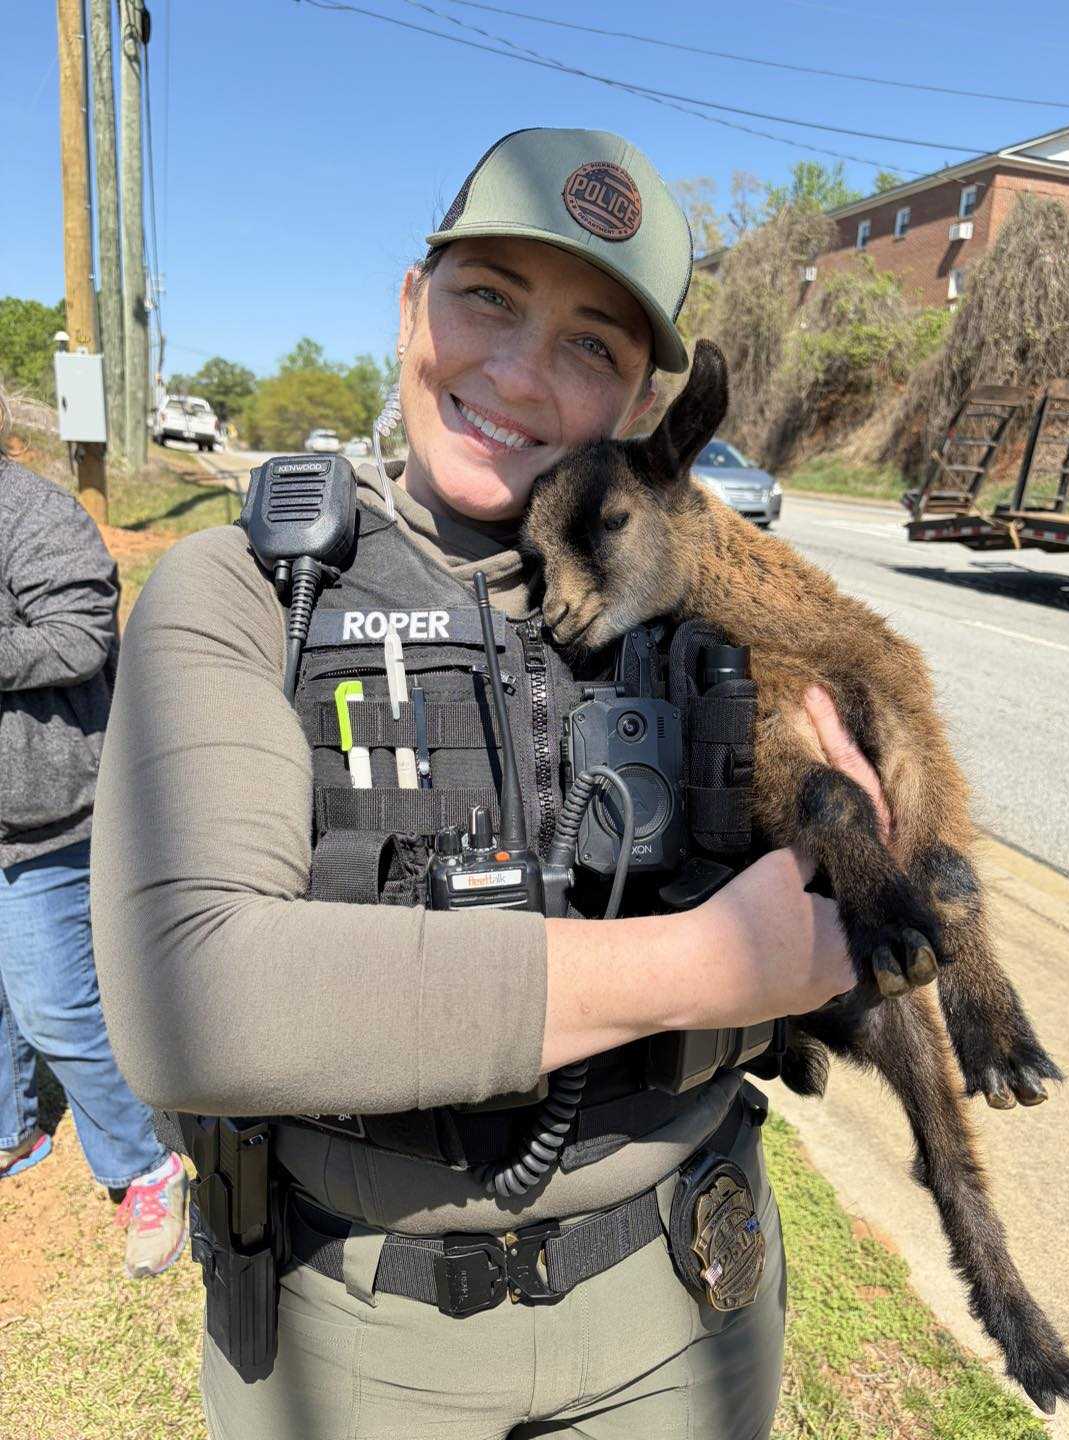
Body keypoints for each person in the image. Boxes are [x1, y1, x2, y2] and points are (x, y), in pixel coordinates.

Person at [92, 128, 882, 1438]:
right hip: (354, 1339)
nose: (519, 371)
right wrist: (705, 968)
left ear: (636, 405)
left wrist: (872, 868)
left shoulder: (710, 620)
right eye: (488, 298)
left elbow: (877, 910)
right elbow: (192, 1002)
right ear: (411, 303)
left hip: (686, 1301)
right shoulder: (243, 595)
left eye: (592, 345)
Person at [0, 455, 188, 1278]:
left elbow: (78, 637)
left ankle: (145, 1164)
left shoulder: (31, 512)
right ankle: (12, 1128)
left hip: (45, 806)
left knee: (56, 1008)